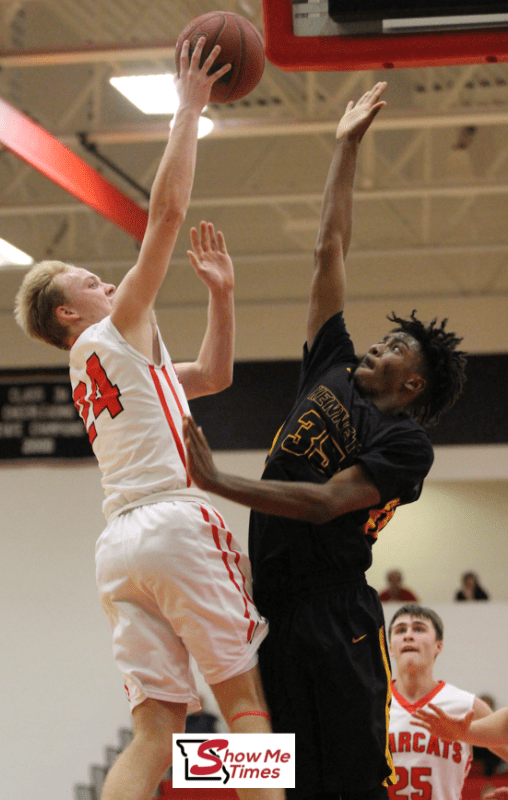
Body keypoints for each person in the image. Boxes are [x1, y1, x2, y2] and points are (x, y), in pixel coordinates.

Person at [14, 38, 283, 800]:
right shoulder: (108, 329)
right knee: (244, 704)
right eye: (92, 280)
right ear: (70, 311)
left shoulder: (97, 366)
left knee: (157, 731)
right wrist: (188, 108)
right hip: (172, 523)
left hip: (119, 550)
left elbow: (212, 377)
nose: (111, 282)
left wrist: (222, 298)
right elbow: (165, 214)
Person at [183, 81, 467, 800]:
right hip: (268, 607)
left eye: (398, 346)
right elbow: (326, 249)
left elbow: (321, 503)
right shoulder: (330, 364)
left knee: (346, 783)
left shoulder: (404, 444)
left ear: (412, 385)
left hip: (334, 613)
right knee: (267, 776)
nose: (381, 341)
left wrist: (216, 480)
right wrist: (343, 149)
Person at [387, 603, 508, 800]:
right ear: (391, 648)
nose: (408, 635)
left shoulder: (468, 706)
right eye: (400, 630)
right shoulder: (370, 705)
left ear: (439, 645)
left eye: (418, 628)